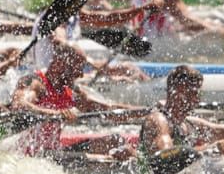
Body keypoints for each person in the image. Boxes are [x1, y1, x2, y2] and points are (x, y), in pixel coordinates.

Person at [8, 41, 140, 157]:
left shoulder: (70, 91)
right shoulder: (35, 82)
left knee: (116, 141)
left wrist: (147, 112)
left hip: (53, 153)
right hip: (29, 155)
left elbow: (109, 110)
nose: (81, 74)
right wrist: (55, 114)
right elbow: (19, 104)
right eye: (76, 68)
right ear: (59, 64)